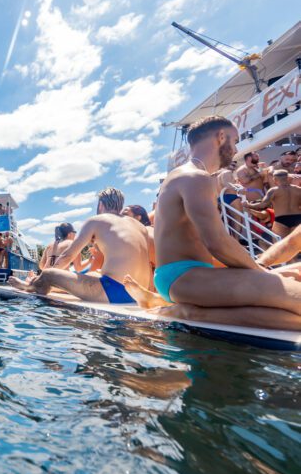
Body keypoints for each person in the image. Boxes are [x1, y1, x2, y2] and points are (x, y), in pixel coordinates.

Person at [124, 115, 300, 329]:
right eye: (235, 141)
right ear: (221, 136)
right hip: (186, 276)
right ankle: (190, 313)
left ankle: (186, 309)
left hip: (183, 275)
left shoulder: (186, 176)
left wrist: (264, 274)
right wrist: (261, 273)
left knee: (291, 307)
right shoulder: (195, 177)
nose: (236, 149)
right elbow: (216, 241)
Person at [8, 188, 152, 303]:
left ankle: (30, 285)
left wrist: (44, 276)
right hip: (140, 291)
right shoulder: (140, 227)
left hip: (116, 292)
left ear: (100, 205)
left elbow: (68, 256)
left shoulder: (96, 220)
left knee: (48, 274)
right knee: (92, 274)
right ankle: (47, 285)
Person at [245, 170, 301, 237]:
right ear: (288, 178)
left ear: (275, 179)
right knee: (298, 245)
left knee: (280, 244)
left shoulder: (273, 190)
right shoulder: (298, 189)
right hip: (298, 218)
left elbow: (263, 205)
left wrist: (248, 205)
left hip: (281, 219)